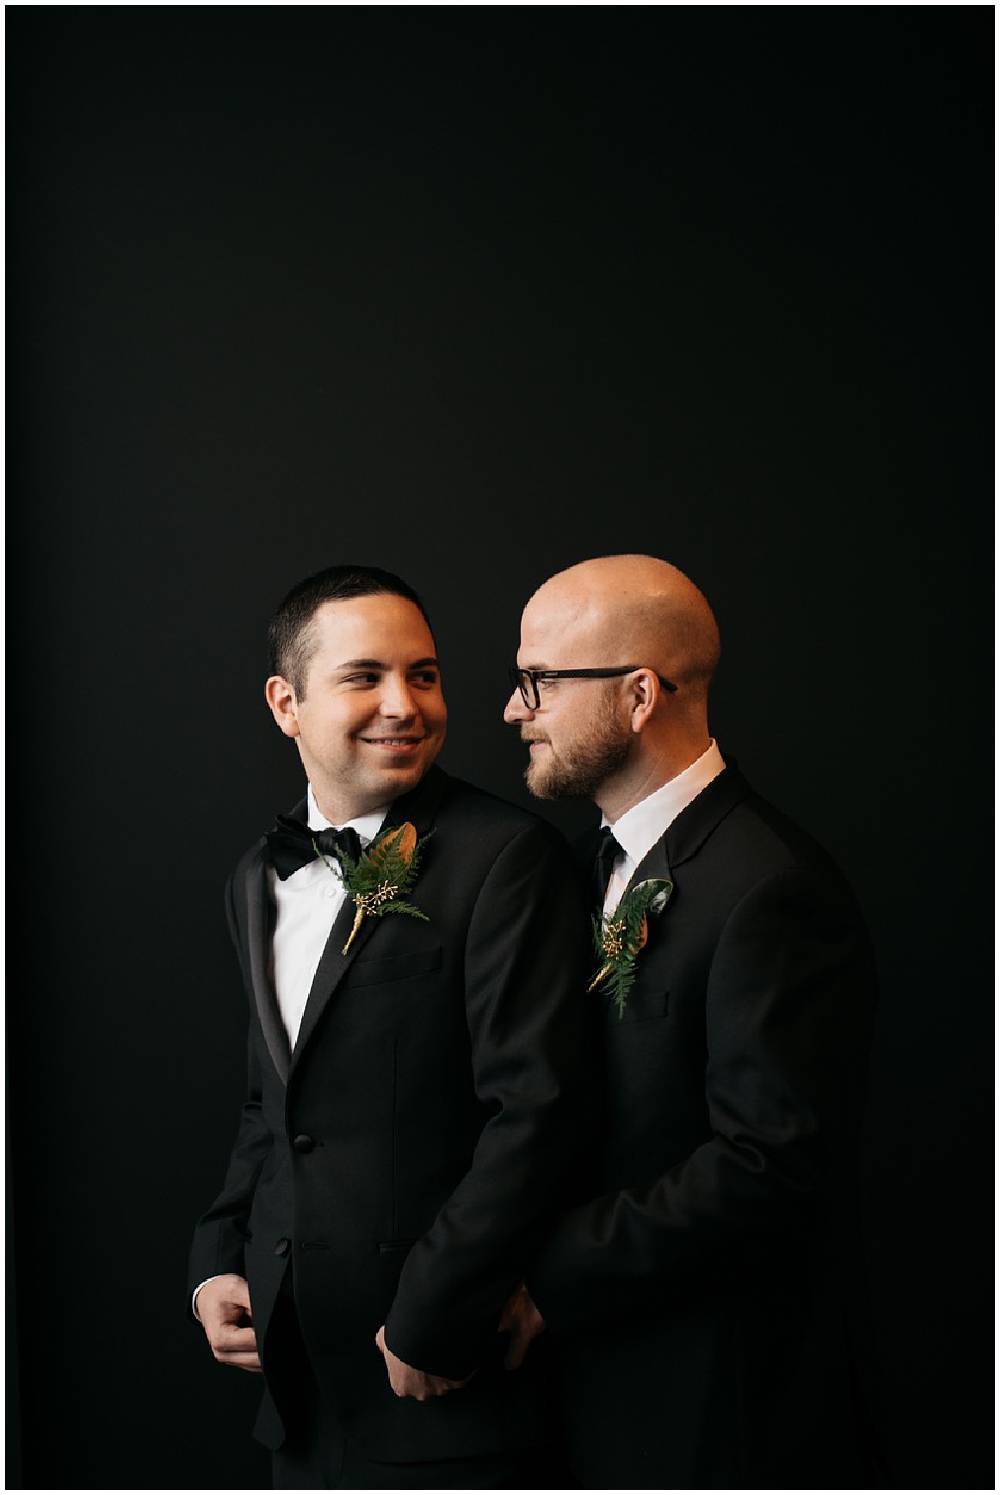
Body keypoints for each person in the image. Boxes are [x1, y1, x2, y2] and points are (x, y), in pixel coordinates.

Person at [188, 563, 596, 1490]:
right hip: (296, 1397)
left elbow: (537, 1110)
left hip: (442, 1383)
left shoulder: (507, 857)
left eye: (424, 673)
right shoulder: (256, 878)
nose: (404, 704)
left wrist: (432, 1315)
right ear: (286, 703)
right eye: (363, 676)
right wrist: (213, 1263)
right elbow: (272, 1103)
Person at [500, 553, 885, 1489]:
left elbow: (767, 1163)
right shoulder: (586, 864)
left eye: (539, 681)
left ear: (639, 695)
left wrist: (547, 1273)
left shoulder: (770, 887)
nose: (515, 710)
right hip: (589, 1387)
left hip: (708, 1405)